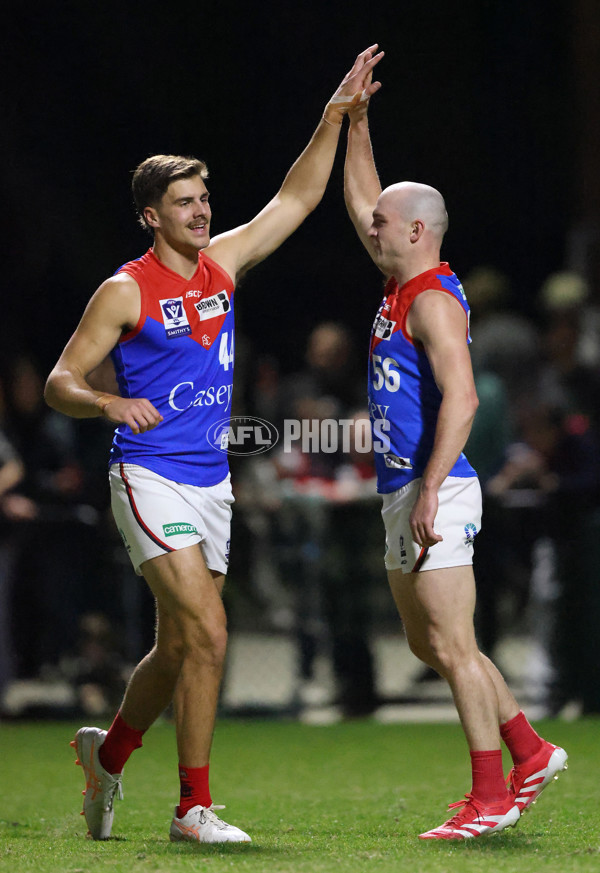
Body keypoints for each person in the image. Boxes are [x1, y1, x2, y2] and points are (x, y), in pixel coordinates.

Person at [44, 45, 384, 844]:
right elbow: (62, 377)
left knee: (176, 646)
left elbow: (295, 200)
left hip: (210, 479)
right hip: (149, 474)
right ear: (150, 216)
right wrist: (107, 400)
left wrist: (333, 118)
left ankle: (112, 754)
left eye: (204, 199)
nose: (201, 212)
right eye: (185, 203)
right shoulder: (126, 288)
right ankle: (191, 808)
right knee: (211, 629)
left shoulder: (221, 266)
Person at [343, 65, 568, 841]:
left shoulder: (433, 295)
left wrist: (434, 488)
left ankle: (491, 794)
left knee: (453, 642)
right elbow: (363, 199)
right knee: (426, 640)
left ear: (417, 231)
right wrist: (356, 120)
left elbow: (465, 399)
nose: (368, 228)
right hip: (404, 489)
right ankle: (530, 749)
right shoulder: (397, 284)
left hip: (436, 486)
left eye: (382, 224)